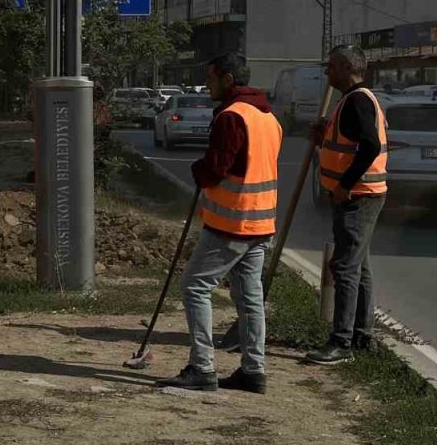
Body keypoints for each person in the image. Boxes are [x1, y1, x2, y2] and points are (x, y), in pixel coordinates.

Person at [156, 52, 282, 395]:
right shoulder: (267, 115)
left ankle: (202, 367)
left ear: (228, 80)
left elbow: (217, 169)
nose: (207, 85)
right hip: (261, 222)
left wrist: (198, 170)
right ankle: (254, 371)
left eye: (211, 79)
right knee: (249, 297)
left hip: (233, 223)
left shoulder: (232, 117)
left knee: (194, 286)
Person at [305, 45, 387, 365]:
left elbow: (369, 146)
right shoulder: (353, 100)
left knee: (345, 267)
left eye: (331, 67)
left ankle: (342, 342)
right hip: (361, 195)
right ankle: (362, 335)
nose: (327, 73)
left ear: (345, 67)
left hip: (357, 197)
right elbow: (349, 142)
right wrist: (322, 135)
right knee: (358, 266)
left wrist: (344, 186)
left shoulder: (357, 100)